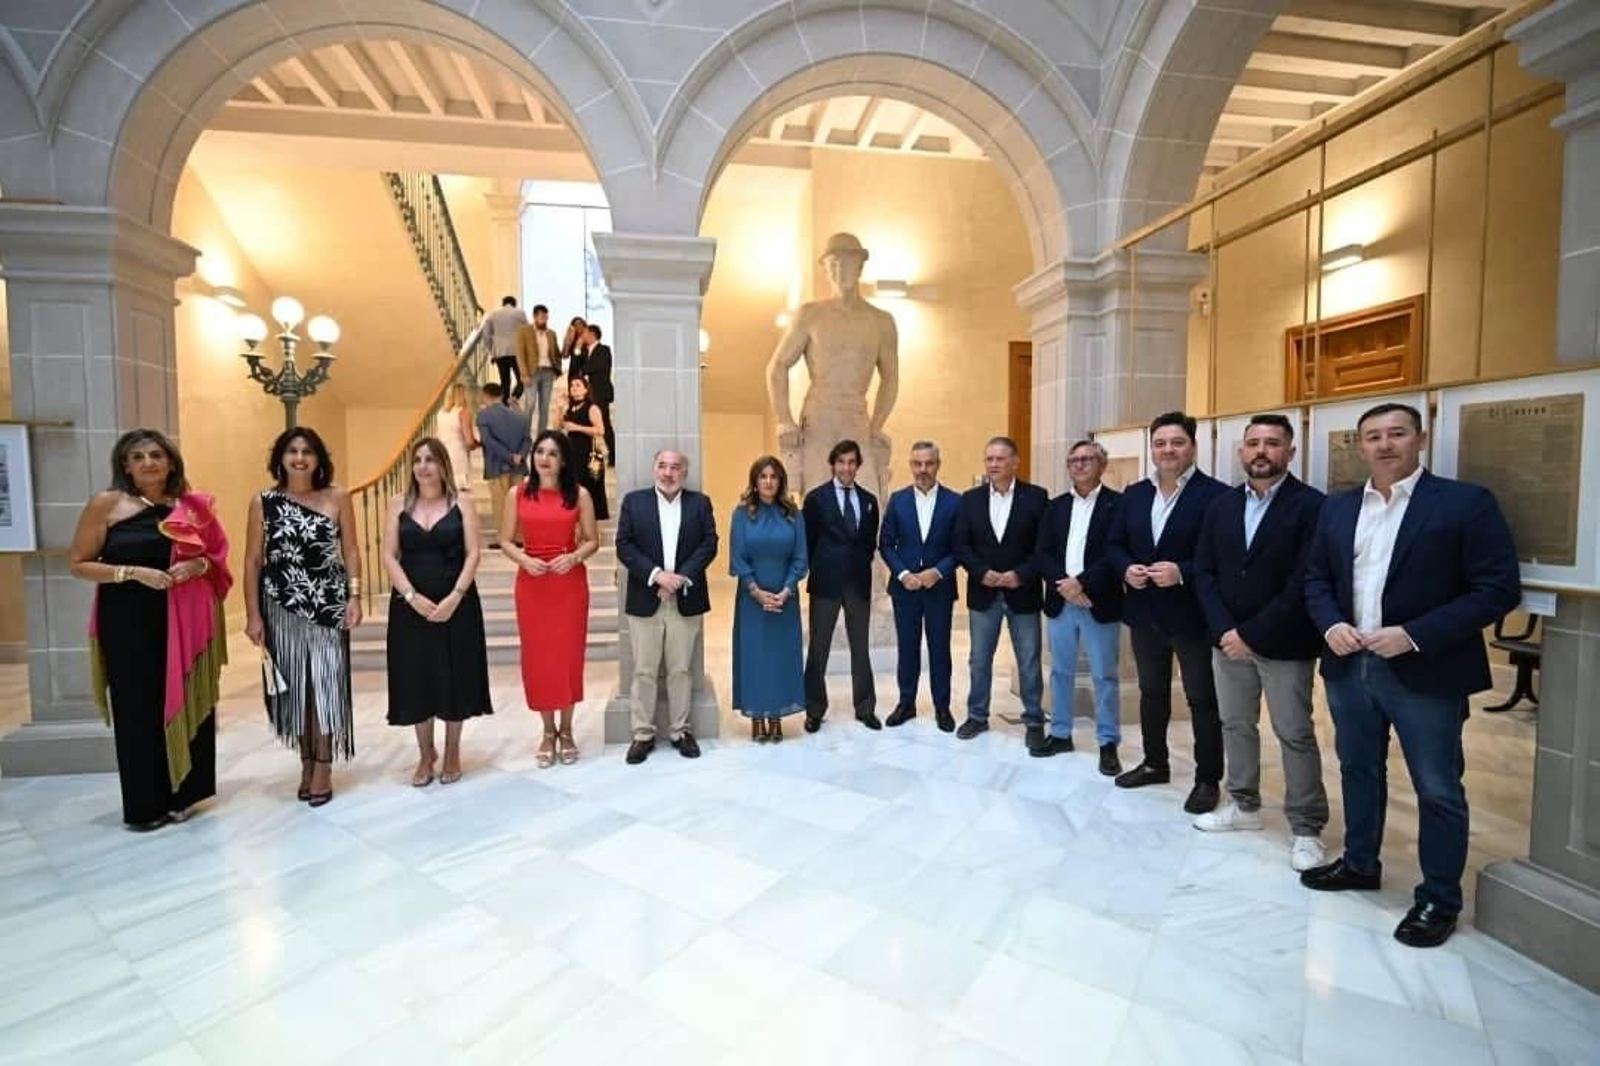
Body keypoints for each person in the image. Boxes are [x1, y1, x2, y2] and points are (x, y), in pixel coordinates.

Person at [1301, 402, 1519, 948]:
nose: (1385, 444)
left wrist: (1414, 634)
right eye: (1373, 436)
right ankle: (1359, 862)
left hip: (1427, 669)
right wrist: (1330, 625)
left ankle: (1438, 899)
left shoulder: (1465, 504)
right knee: (1358, 770)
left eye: (1397, 433)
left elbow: (1496, 589)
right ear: (1360, 446)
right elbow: (1315, 579)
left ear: (1421, 439)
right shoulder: (1339, 507)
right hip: (1351, 665)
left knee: (1438, 787)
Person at [71, 429, 231, 830]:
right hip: (128, 618)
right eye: (137, 456)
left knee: (188, 696)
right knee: (138, 708)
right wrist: (133, 573)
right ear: (125, 464)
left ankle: (185, 794)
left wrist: (198, 566)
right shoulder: (106, 505)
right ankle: (146, 805)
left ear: (171, 461)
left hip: (184, 618)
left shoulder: (190, 506)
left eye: (156, 454)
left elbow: (214, 556)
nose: (148, 463)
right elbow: (79, 563)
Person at [1193, 414, 1329, 870]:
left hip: (1285, 642)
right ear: (1241, 452)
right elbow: (1205, 572)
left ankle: (1307, 827)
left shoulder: (1311, 506)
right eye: (1252, 443)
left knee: (1294, 733)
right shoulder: (1221, 506)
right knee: (1235, 725)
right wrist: (1225, 631)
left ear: (1290, 452)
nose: (1261, 452)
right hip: (1226, 642)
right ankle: (1244, 805)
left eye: (1272, 443)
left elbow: (1304, 580)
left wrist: (1251, 633)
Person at [1106, 411, 1228, 812]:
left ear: (1192, 446)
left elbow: (1222, 560)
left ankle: (1208, 779)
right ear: (1151, 448)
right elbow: (1115, 543)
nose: (1168, 450)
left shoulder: (1217, 496)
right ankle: (1154, 762)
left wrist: (1182, 572)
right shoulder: (1136, 493)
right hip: (1144, 612)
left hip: (1191, 615)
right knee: (1151, 692)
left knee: (1201, 699)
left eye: (1176, 442)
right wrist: (1125, 568)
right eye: (1160, 443)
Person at [244, 427, 361, 807]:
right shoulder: (264, 501)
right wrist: (252, 615)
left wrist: (355, 596)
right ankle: (305, 761)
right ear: (280, 457)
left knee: (324, 684)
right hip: (281, 606)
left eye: (307, 451)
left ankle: (323, 763)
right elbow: (252, 560)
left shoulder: (337, 496)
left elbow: (353, 551)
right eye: (292, 451)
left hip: (328, 605)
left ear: (318, 458)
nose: (299, 458)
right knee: (296, 687)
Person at [382, 438, 493, 786]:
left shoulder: (463, 502)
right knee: (416, 677)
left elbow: (473, 552)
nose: (423, 466)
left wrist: (455, 596)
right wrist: (411, 595)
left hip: (456, 602)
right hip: (410, 606)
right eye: (417, 460)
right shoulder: (398, 503)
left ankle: (453, 750)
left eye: (430, 459)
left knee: (454, 674)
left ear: (443, 464)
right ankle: (425, 752)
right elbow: (388, 555)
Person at [501, 431, 599, 767]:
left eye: (553, 453)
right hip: (532, 584)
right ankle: (546, 731)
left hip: (569, 583)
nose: (544, 458)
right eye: (540, 451)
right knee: (539, 658)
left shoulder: (580, 495)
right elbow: (505, 541)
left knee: (568, 657)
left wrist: (573, 558)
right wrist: (523, 559)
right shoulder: (517, 493)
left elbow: (591, 540)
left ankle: (567, 730)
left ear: (564, 461)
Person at [615, 449, 718, 764]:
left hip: (685, 599)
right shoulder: (635, 502)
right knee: (644, 670)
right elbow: (624, 545)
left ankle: (680, 731)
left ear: (684, 473)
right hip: (646, 599)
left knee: (680, 670)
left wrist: (679, 578)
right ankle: (642, 734)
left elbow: (709, 544)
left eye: (676, 467)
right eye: (662, 466)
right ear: (653, 469)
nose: (668, 473)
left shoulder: (700, 504)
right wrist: (658, 576)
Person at [1033, 440, 1124, 772]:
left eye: (1087, 459)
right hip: (1061, 601)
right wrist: (1066, 585)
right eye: (1074, 460)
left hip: (1098, 601)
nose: (1080, 465)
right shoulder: (1054, 507)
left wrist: (1082, 583)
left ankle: (1107, 741)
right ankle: (1060, 733)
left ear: (1102, 464)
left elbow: (1116, 554)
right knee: (1060, 672)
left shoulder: (1119, 505)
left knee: (1104, 674)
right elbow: (1042, 552)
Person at [952, 436, 1048, 745]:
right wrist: (982, 572)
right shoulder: (970, 499)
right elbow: (961, 545)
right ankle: (977, 716)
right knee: (979, 659)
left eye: (1000, 459)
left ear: (1015, 462)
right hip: (984, 593)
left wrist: (1021, 574)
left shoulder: (1036, 497)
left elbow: (1044, 547)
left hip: (1024, 592)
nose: (993, 464)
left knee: (1029, 660)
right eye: (989, 459)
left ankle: (1034, 720)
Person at [878, 440, 961, 731]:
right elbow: (886, 544)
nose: (923, 469)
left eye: (929, 463)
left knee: (940, 649)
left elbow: (960, 547)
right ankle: (906, 703)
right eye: (917, 464)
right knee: (908, 647)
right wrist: (903, 574)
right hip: (906, 590)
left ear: (938, 464)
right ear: (911, 465)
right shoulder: (898, 500)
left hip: (939, 589)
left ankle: (942, 707)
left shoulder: (955, 501)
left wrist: (937, 572)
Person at [802, 439, 880, 731]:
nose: (846, 467)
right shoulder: (816, 499)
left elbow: (869, 542)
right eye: (841, 462)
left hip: (858, 584)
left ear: (858, 466)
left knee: (861, 647)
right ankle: (814, 709)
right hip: (825, 584)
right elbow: (808, 543)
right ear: (833, 464)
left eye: (851, 462)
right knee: (818, 648)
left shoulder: (870, 500)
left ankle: (865, 708)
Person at [729, 456, 809, 742]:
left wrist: (786, 591)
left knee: (780, 657)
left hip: (784, 600)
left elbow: (801, 557)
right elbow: (738, 557)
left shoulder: (793, 514)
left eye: (774, 476)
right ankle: (756, 716)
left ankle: (776, 716)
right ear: (755, 481)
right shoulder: (741, 515)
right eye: (763, 476)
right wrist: (755, 591)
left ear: (781, 481)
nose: (768, 482)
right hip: (752, 600)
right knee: (754, 657)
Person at [476, 382, 529, 548]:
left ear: (485, 396)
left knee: (501, 504)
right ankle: (520, 537)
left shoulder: (484, 415)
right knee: (518, 502)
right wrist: (519, 455)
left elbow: (487, 440)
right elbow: (527, 439)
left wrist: (508, 456)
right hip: (518, 466)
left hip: (496, 466)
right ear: (501, 395)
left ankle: (504, 538)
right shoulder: (519, 415)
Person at [561, 375, 610, 521]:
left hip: (588, 451)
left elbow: (600, 430)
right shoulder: (570, 407)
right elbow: (558, 425)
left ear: (586, 389)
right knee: (573, 484)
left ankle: (592, 519)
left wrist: (576, 427)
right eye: (572, 386)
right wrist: (559, 407)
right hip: (572, 451)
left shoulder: (592, 407)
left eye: (577, 385)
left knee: (589, 484)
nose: (574, 388)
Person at [517, 303, 562, 434]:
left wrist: (556, 370)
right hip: (532, 373)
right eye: (542, 317)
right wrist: (523, 374)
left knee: (545, 407)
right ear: (535, 317)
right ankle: (525, 437)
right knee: (530, 405)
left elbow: (556, 352)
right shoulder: (524, 331)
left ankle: (541, 436)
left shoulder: (551, 334)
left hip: (548, 372)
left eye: (546, 318)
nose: (545, 320)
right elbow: (520, 354)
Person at [581, 324, 616, 465]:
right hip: (586, 394)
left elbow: (592, 367)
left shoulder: (604, 350)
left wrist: (583, 369)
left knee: (605, 424)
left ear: (592, 334)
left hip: (600, 393)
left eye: (585, 333)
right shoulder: (584, 352)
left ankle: (613, 454)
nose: (583, 336)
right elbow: (577, 367)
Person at [482, 295, 529, 401]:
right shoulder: (520, 314)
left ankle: (504, 404)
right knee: (522, 379)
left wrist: (492, 349)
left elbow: (485, 335)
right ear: (514, 304)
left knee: (504, 381)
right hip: (517, 352)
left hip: (500, 352)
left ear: (503, 304)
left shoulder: (494, 315)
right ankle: (515, 397)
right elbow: (528, 333)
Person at [434, 381, 477, 490]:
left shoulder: (441, 413)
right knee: (460, 489)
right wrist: (477, 444)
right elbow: (469, 441)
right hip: (458, 454)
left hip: (442, 453)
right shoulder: (463, 412)